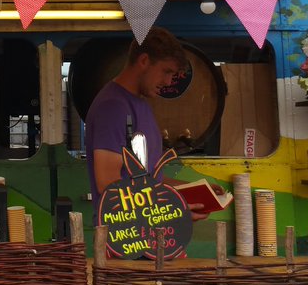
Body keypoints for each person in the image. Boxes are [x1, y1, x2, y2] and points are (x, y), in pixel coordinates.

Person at [85, 27, 221, 219]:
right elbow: (108, 185)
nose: (168, 82)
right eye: (166, 71)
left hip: (148, 232)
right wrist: (171, 210)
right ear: (144, 61)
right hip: (124, 234)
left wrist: (194, 190)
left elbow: (150, 180)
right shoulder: (113, 107)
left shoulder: (142, 105)